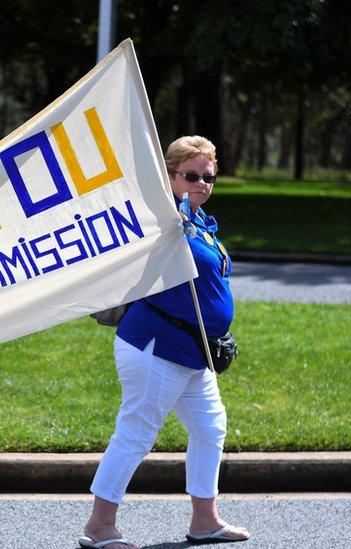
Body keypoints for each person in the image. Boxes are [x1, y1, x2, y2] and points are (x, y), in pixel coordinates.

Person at [79, 136, 249, 548]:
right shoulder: (159, 220)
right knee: (137, 432)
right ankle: (100, 526)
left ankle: (205, 520)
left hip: (194, 353)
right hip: (155, 346)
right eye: (191, 176)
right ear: (170, 176)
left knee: (210, 428)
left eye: (209, 177)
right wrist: (169, 217)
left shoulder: (201, 223)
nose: (202, 184)